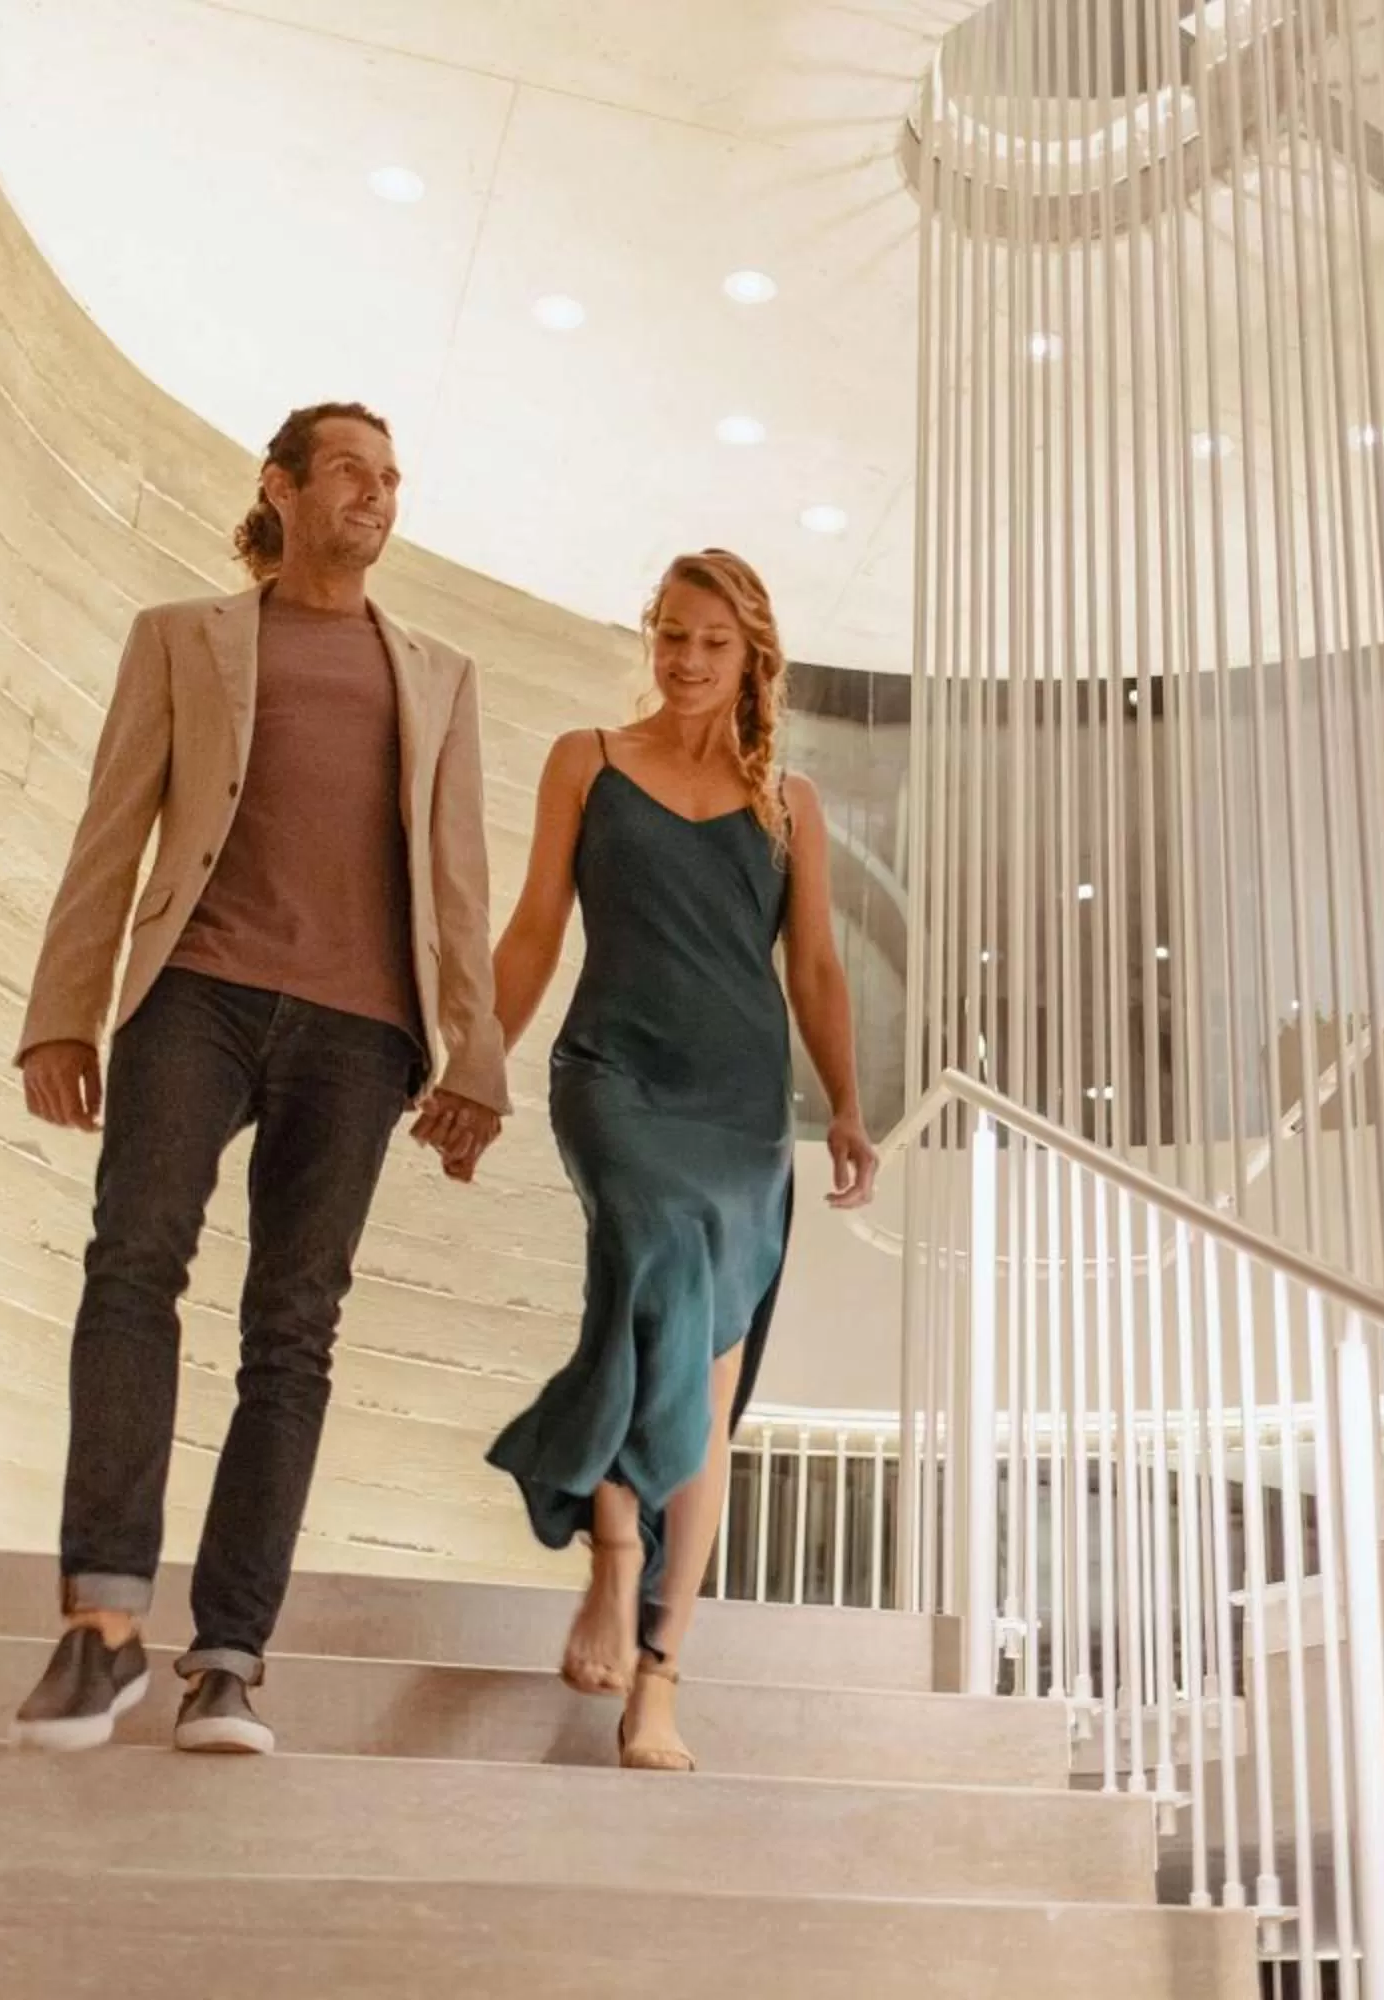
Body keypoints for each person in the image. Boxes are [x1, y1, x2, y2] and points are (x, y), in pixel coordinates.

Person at [8, 401, 509, 1755]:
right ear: (281, 488)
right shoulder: (185, 638)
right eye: (350, 469)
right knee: (133, 1270)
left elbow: (456, 885)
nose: (378, 493)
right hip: (197, 996)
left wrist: (477, 1055)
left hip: (364, 1032)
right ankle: (101, 1628)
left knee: (293, 1334)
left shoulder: (441, 674)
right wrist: (63, 1013)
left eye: (394, 476)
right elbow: (112, 830)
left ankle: (227, 1659)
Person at [466, 548, 874, 1772]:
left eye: (711, 642)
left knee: (707, 1380)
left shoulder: (788, 803)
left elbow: (813, 968)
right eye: (670, 634)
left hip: (743, 1108)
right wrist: (475, 1064)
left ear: (751, 657)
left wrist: (847, 1102)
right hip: (616, 1077)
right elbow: (537, 923)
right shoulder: (586, 762)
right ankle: (615, 1550)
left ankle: (659, 1677)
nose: (686, 659)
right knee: (650, 1255)